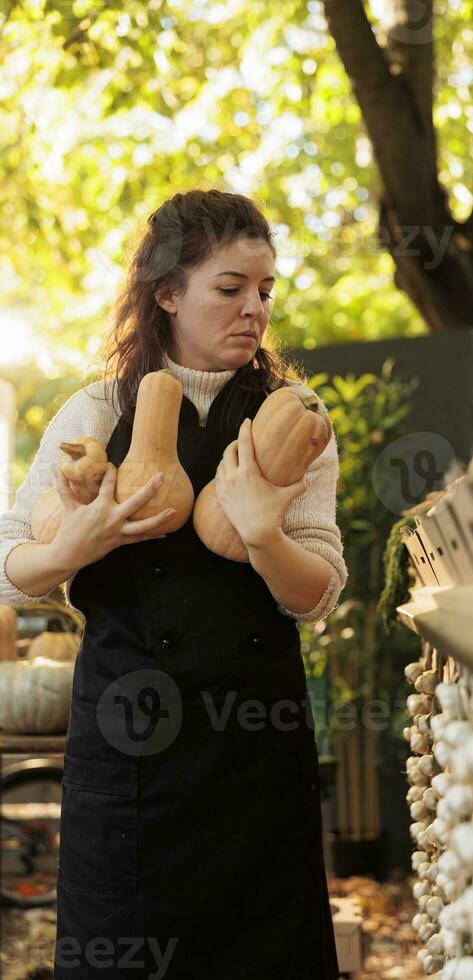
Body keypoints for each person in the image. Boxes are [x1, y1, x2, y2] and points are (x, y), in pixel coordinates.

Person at [0, 189, 347, 978]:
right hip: (127, 748)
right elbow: (9, 566)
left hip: (254, 749)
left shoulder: (293, 417)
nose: (253, 309)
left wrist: (262, 532)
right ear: (167, 294)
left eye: (265, 291)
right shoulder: (95, 410)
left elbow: (319, 594)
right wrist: (74, 546)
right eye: (230, 289)